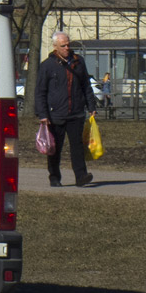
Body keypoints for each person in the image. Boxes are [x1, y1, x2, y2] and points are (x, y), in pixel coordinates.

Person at [35, 31, 96, 186]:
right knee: (55, 148)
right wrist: (43, 114)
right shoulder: (47, 66)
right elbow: (40, 92)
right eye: (63, 45)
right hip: (55, 115)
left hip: (76, 113)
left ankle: (81, 176)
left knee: (77, 146)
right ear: (55, 46)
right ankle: (55, 177)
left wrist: (91, 106)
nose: (67, 48)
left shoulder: (78, 62)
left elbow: (86, 86)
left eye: (68, 44)